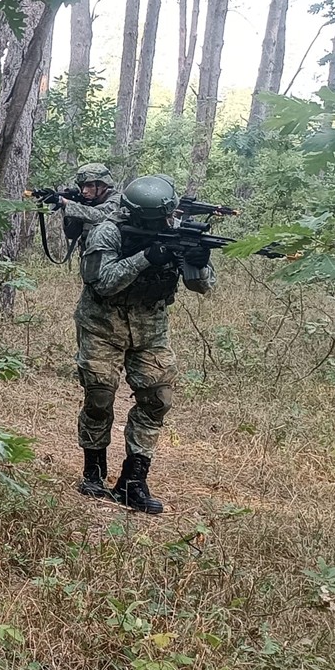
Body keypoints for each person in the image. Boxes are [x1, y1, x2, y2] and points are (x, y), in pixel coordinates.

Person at [73, 174, 215, 514]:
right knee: (99, 395)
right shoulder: (107, 232)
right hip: (102, 325)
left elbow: (203, 287)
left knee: (157, 399)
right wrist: (146, 258)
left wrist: (197, 260)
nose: (166, 221)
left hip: (151, 329)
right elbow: (102, 283)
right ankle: (93, 470)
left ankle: (133, 481)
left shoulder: (177, 230)